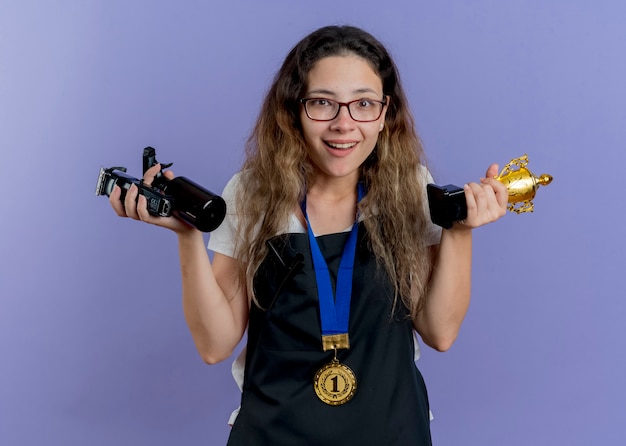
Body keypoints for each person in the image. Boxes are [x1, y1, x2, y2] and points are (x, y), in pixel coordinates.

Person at [109, 25, 508, 445]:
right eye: (323, 103)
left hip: (391, 431)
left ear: (385, 113)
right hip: (273, 434)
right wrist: (187, 237)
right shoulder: (251, 193)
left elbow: (439, 332)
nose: (343, 124)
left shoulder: (409, 188)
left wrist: (459, 232)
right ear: (293, 109)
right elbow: (214, 345)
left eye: (363, 104)